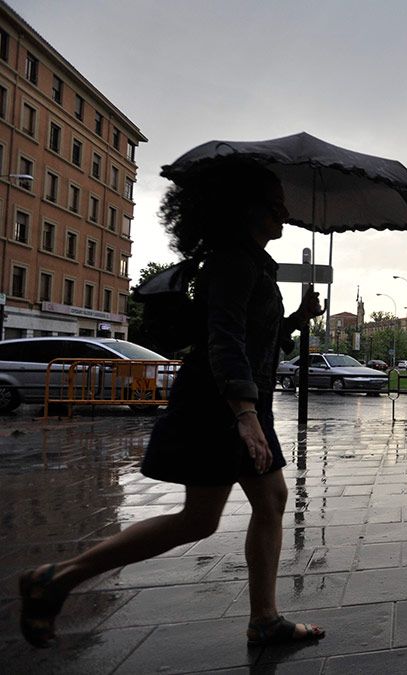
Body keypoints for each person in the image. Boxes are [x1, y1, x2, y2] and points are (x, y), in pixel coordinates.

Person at [18, 162, 327, 648]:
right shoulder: (233, 261)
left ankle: (264, 619)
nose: (284, 212)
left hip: (236, 402)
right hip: (219, 406)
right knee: (207, 518)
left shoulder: (249, 262)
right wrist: (245, 414)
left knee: (259, 503)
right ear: (248, 210)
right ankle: (57, 575)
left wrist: (295, 318)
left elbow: (254, 339)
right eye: (274, 204)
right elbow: (223, 338)